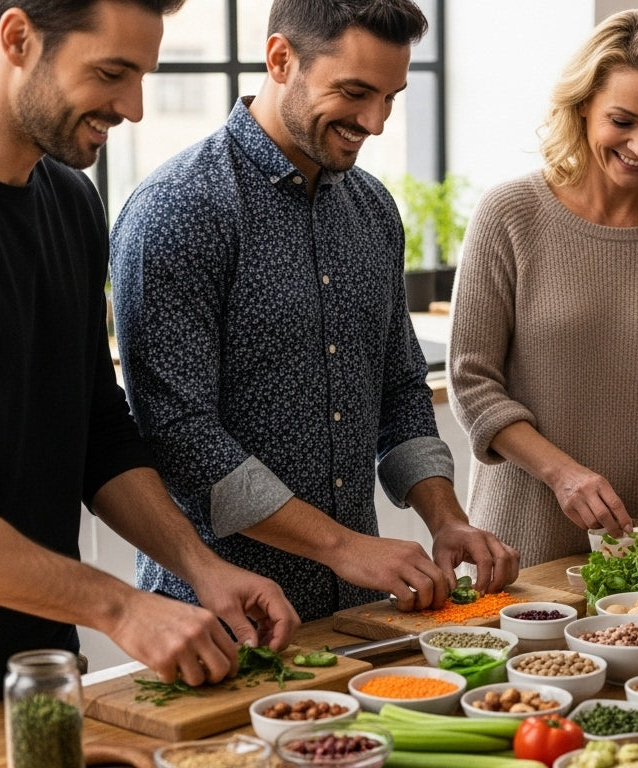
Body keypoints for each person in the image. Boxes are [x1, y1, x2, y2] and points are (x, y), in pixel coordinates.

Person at [110, 0, 519, 621]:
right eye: (356, 92)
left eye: (391, 96)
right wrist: (343, 547)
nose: (376, 122)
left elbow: (401, 389)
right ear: (280, 59)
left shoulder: (374, 209)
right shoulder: (178, 209)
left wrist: (447, 519)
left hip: (359, 610)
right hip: (221, 618)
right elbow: (182, 438)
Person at [0, 0, 299, 706]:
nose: (136, 108)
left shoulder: (73, 202)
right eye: (113, 73)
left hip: (37, 672)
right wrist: (120, 607)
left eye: (144, 75)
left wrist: (198, 565)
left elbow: (98, 430)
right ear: (18, 38)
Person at [449, 10, 638, 566]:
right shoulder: (509, 214)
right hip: (521, 542)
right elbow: (471, 381)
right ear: (583, 105)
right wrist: (562, 475)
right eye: (623, 120)